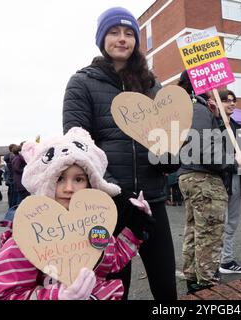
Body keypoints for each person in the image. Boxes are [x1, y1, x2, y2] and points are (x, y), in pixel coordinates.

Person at [62, 7, 177, 300]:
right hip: (108, 207)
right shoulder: (82, 83)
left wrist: (169, 158)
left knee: (166, 288)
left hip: (152, 201)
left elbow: (165, 137)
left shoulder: (152, 85)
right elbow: (79, 147)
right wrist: (115, 191)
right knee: (114, 290)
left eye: (129, 33)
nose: (122, 39)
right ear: (102, 38)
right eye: (114, 32)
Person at [0, 127, 152, 300]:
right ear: (44, 182)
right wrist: (58, 296)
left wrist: (135, 228)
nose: (69, 189)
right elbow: (8, 293)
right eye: (59, 178)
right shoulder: (25, 237)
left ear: (91, 184)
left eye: (79, 179)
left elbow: (112, 260)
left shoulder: (94, 227)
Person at [176, 71, 240, 293]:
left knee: (194, 231)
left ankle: (194, 282)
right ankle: (208, 286)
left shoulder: (188, 106)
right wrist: (234, 161)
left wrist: (217, 118)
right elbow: (207, 151)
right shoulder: (199, 108)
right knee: (209, 235)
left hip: (189, 175)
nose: (216, 86)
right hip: (204, 178)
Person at [217, 89, 241, 275]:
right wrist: (235, 160)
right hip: (220, 180)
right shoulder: (214, 125)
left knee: (232, 221)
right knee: (219, 222)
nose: (231, 103)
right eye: (226, 100)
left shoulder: (237, 127)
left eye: (233, 100)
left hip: (237, 179)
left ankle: (226, 259)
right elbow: (215, 156)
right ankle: (219, 259)